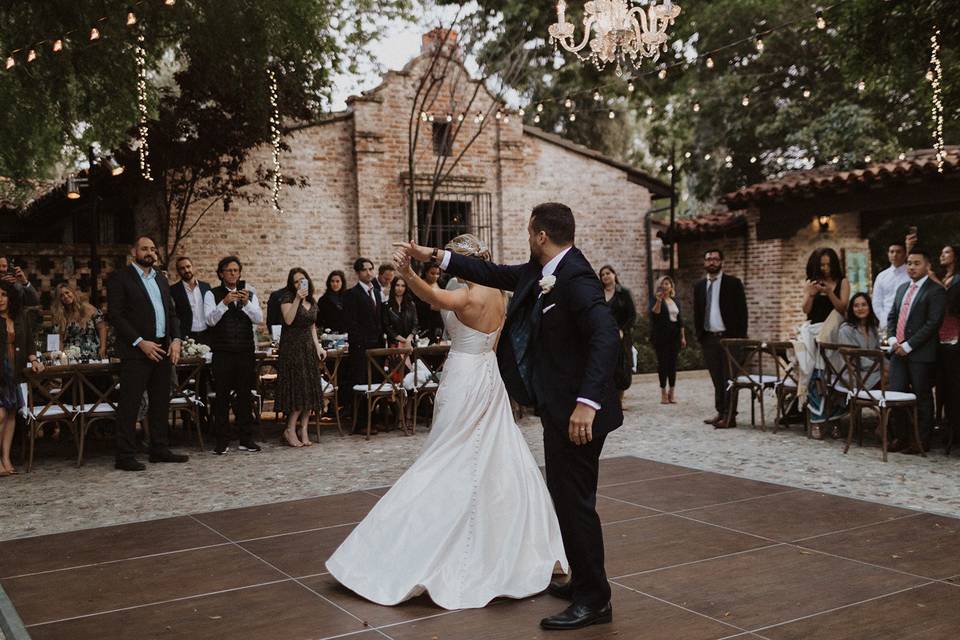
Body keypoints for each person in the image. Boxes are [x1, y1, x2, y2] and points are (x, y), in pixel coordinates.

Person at [394, 203, 621, 630]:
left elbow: (606, 336)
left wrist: (586, 404)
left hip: (579, 415)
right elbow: (492, 272)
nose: (526, 237)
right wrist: (433, 256)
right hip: (558, 408)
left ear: (539, 235)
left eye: (527, 231)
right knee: (567, 500)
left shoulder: (576, 277)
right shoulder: (543, 270)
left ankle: (595, 600)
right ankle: (583, 581)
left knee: (576, 504)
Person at [327, 233, 567, 614]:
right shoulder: (499, 295)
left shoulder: (468, 296)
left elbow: (433, 299)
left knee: (446, 455)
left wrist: (407, 272)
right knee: (494, 452)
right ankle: (510, 539)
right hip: (489, 375)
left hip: (464, 376)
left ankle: (415, 539)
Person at [105, 236, 189, 471]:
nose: (150, 252)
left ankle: (159, 449)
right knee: (130, 404)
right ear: (134, 251)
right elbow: (116, 315)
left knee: (161, 402)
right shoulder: (120, 278)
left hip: (163, 348)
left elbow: (172, 313)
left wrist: (177, 340)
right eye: (144, 249)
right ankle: (124, 456)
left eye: (153, 249)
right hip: (136, 350)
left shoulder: (161, 279)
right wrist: (140, 342)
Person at [886, 248, 947, 454]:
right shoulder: (902, 288)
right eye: (909, 263)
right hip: (897, 352)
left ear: (927, 265)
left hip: (921, 354)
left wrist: (908, 345)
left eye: (916, 263)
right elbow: (892, 317)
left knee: (922, 398)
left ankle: (921, 441)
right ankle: (900, 437)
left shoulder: (935, 290)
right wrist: (894, 340)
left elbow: (932, 323)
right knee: (896, 395)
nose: (911, 267)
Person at [204, 256, 263, 455]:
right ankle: (222, 440)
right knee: (222, 397)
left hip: (245, 351)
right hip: (222, 352)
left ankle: (246, 439)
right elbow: (210, 321)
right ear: (221, 273)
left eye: (236, 270)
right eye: (229, 270)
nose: (233, 274)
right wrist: (224, 303)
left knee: (245, 396)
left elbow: (259, 319)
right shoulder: (212, 294)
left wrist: (246, 303)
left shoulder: (250, 293)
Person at [693, 249, 748, 429]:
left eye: (715, 259)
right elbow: (697, 313)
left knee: (729, 378)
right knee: (717, 378)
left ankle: (730, 416)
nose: (712, 262)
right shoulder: (699, 286)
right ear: (705, 262)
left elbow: (742, 312)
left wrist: (740, 338)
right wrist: (700, 336)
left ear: (721, 262)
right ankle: (720, 411)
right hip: (709, 338)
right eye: (708, 259)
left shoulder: (733, 283)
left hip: (729, 338)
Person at [274, 268, 327, 448]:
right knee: (298, 390)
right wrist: (297, 298)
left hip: (308, 349)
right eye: (296, 281)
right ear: (292, 284)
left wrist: (318, 346)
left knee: (309, 391)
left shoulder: (312, 300)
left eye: (302, 280)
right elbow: (288, 320)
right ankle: (289, 429)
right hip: (292, 349)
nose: (299, 284)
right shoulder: (287, 298)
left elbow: (312, 326)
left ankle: (303, 429)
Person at [0, 281, 44, 476]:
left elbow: (29, 342)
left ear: (11, 297)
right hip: (0, 373)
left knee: (11, 416)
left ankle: (6, 458)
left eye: (3, 294)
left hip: (15, 372)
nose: (0, 299)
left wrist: (33, 359)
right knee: (0, 415)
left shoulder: (20, 317)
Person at [342, 258, 384, 433]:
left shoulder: (377, 292)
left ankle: (375, 420)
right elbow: (351, 323)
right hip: (361, 347)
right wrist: (362, 343)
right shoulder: (352, 294)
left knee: (376, 382)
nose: (369, 273)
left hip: (378, 345)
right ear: (358, 273)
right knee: (362, 383)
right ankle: (361, 423)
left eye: (370, 269)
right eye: (365, 270)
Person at [599, 265, 638, 398]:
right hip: (604, 335)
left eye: (608, 273)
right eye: (602, 274)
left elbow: (632, 315)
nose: (605, 276)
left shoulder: (624, 293)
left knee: (621, 366)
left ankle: (619, 399)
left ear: (614, 275)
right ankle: (608, 398)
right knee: (605, 366)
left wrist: (622, 330)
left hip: (621, 335)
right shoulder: (599, 294)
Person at [649, 275, 686, 404]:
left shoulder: (676, 301)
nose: (665, 286)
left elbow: (680, 320)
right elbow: (655, 315)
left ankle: (672, 392)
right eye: (663, 284)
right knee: (663, 364)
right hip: (661, 337)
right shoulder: (655, 300)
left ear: (671, 287)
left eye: (668, 284)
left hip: (674, 336)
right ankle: (663, 392)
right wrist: (659, 301)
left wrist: (683, 337)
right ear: (660, 286)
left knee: (673, 364)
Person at [936, 245, 959, 443]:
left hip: (954, 337)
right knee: (941, 383)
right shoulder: (943, 277)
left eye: (946, 252)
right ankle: (943, 423)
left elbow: (951, 303)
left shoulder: (958, 280)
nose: (941, 256)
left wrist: (936, 284)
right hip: (939, 335)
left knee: (952, 383)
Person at [837, 292, 882, 390]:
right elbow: (852, 358)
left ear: (869, 307)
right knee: (889, 376)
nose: (860, 308)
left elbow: (877, 352)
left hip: (872, 371)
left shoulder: (872, 328)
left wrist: (889, 365)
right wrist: (879, 365)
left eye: (864, 305)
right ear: (852, 309)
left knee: (897, 374)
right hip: (854, 375)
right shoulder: (846, 330)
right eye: (856, 306)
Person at [51, 284, 107, 360]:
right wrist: (60, 357)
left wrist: (103, 348)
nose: (66, 296)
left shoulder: (88, 308)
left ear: (72, 292)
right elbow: (59, 339)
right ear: (59, 299)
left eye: (67, 293)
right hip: (70, 357)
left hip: (93, 354)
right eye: (61, 295)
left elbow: (102, 328)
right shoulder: (60, 316)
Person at [871, 241, 910, 338]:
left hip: (908, 322)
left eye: (898, 252)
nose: (895, 255)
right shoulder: (882, 276)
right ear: (888, 254)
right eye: (891, 252)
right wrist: (884, 319)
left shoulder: (911, 274)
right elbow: (876, 302)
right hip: (886, 322)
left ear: (905, 254)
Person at [170, 256, 212, 343]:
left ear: (192, 267)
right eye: (182, 268)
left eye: (188, 266)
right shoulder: (173, 290)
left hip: (207, 334)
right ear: (178, 271)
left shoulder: (206, 287)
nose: (186, 270)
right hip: (187, 335)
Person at [803, 248, 850, 323]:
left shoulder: (843, 282)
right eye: (822, 265)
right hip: (815, 327)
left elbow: (843, 309)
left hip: (835, 327)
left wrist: (830, 293)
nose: (826, 268)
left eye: (829, 265)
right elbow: (805, 310)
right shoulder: (811, 282)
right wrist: (810, 295)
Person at [382, 276, 418, 348]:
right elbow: (386, 327)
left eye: (403, 286)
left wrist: (409, 338)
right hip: (394, 343)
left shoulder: (411, 304)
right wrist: (402, 340)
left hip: (410, 342)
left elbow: (415, 324)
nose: (400, 288)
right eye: (397, 285)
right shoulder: (386, 305)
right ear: (393, 286)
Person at [412, 263, 444, 343]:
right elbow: (414, 303)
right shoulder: (419, 284)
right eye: (432, 273)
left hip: (438, 319)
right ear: (426, 272)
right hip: (423, 320)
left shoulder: (441, 284)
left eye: (437, 274)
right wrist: (429, 306)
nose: (435, 276)